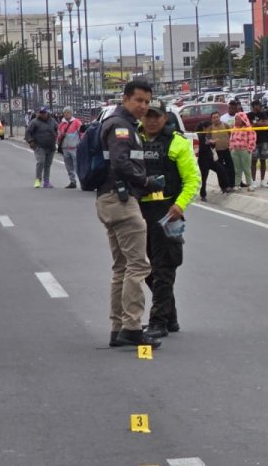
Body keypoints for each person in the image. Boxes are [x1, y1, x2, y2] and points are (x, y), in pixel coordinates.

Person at [98, 80, 164, 349]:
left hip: (109, 198)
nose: (143, 106)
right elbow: (120, 162)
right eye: (138, 100)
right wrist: (147, 182)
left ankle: (118, 328)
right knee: (138, 265)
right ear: (125, 99)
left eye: (147, 101)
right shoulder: (121, 126)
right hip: (121, 199)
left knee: (122, 267)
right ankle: (133, 327)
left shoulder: (120, 123)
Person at [137, 100, 200, 338]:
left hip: (167, 210)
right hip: (139, 211)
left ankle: (158, 321)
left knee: (164, 268)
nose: (152, 120)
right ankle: (169, 316)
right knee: (144, 268)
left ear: (165, 118)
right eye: (148, 115)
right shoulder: (134, 139)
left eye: (157, 116)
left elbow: (193, 180)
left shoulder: (177, 142)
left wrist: (179, 205)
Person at [25, 106, 59, 188]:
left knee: (48, 164)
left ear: (47, 113)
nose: (42, 114)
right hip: (39, 146)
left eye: (44, 113)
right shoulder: (34, 122)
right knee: (40, 162)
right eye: (41, 113)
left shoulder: (52, 121)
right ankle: (37, 180)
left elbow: (58, 129)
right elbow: (28, 132)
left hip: (51, 146)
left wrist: (58, 137)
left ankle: (46, 181)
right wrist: (30, 141)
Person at [228, 99, 255, 190]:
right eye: (235, 119)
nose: (236, 120)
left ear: (243, 119)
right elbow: (231, 139)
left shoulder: (248, 128)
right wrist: (231, 148)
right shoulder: (234, 128)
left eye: (237, 119)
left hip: (245, 150)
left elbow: (252, 139)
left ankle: (250, 184)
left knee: (247, 168)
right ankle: (237, 184)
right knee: (237, 169)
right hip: (235, 151)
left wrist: (249, 149)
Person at [250, 100, 268, 188]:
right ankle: (253, 181)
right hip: (253, 141)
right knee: (253, 161)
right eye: (258, 105)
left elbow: (267, 123)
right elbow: (249, 125)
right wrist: (260, 123)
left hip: (264, 140)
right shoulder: (249, 115)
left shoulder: (263, 114)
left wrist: (256, 123)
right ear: (254, 106)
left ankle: (262, 180)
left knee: (263, 160)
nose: (260, 107)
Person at [56, 107, 83, 189]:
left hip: (75, 148)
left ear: (71, 113)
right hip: (65, 148)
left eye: (68, 112)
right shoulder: (61, 124)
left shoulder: (77, 122)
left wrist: (81, 144)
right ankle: (72, 181)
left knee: (77, 166)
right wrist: (61, 136)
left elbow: (82, 134)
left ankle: (82, 181)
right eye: (65, 112)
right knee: (68, 166)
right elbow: (58, 136)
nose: (66, 114)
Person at [209, 111, 235, 193]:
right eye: (214, 118)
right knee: (220, 170)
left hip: (227, 150)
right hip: (217, 152)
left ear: (219, 117)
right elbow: (208, 139)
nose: (216, 119)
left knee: (230, 167)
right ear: (211, 119)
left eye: (217, 117)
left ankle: (231, 185)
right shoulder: (211, 128)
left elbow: (231, 135)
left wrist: (231, 145)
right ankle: (223, 187)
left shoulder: (225, 125)